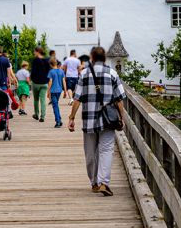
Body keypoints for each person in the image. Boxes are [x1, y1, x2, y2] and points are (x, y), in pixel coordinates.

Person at [68, 46, 125, 196]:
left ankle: (94, 182)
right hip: (108, 120)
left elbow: (77, 98)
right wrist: (122, 118)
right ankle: (104, 182)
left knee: (90, 153)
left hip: (89, 119)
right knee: (106, 150)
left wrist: (71, 118)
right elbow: (119, 100)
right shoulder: (112, 73)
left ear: (92, 58)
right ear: (104, 58)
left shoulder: (84, 74)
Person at [0, 45, 19, 111]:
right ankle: (3, 114)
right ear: (1, 51)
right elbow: (8, 73)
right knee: (4, 99)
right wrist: (9, 83)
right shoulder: (6, 60)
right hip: (3, 84)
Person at [29, 47, 50, 122]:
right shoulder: (47, 60)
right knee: (43, 100)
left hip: (36, 82)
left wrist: (31, 79)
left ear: (38, 52)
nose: (34, 53)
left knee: (36, 99)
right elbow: (49, 71)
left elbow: (33, 71)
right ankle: (43, 116)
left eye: (34, 51)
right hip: (44, 83)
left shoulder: (35, 60)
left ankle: (36, 114)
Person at [47, 57, 66, 127]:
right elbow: (64, 81)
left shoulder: (51, 72)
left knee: (55, 106)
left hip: (53, 91)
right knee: (56, 105)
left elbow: (50, 82)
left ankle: (58, 121)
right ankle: (59, 119)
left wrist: (48, 92)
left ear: (51, 65)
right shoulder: (61, 71)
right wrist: (65, 91)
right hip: (59, 91)